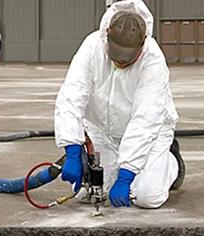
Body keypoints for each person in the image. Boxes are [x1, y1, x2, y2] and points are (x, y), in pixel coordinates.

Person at [54, 0, 184, 209]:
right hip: (102, 131)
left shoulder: (153, 60)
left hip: (152, 134)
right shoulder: (91, 46)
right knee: (92, 191)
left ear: (141, 46)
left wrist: (126, 175)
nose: (121, 62)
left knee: (146, 196)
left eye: (127, 58)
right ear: (107, 36)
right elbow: (71, 96)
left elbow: (146, 118)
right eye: (117, 56)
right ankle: (121, 165)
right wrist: (71, 147)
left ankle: (172, 162)